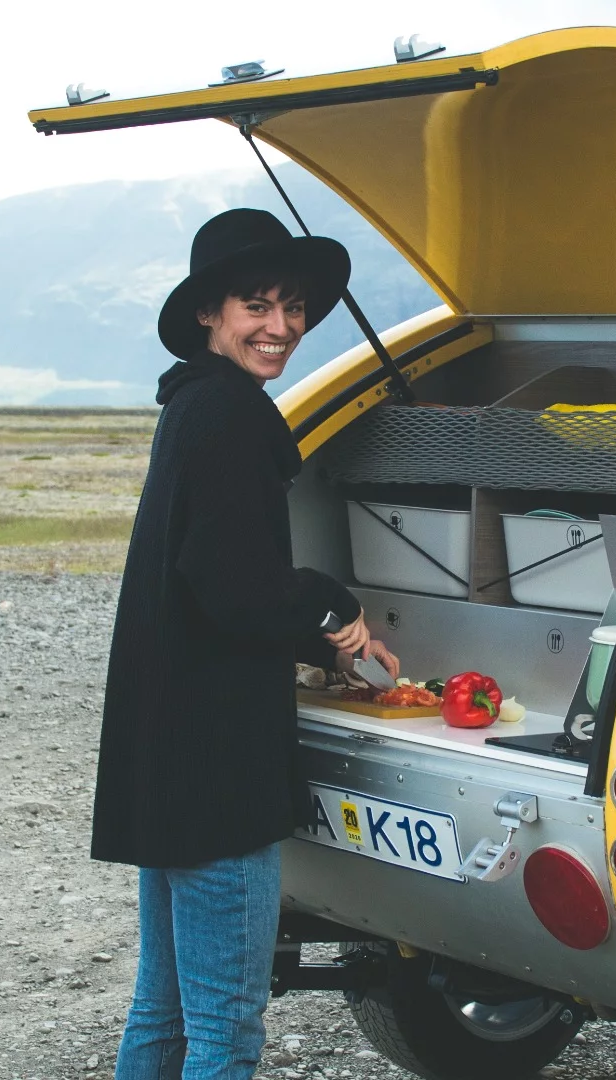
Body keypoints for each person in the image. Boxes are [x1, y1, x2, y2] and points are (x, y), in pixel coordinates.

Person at [93, 208, 400, 1079]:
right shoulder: (229, 414)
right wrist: (332, 615)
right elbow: (234, 584)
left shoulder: (196, 406)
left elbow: (206, 579)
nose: (280, 328)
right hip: (217, 767)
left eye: (292, 308)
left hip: (168, 758)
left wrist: (318, 633)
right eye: (256, 306)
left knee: (166, 1008)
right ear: (209, 313)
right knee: (227, 1025)